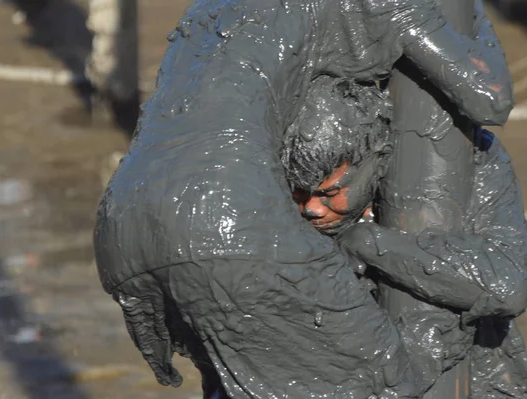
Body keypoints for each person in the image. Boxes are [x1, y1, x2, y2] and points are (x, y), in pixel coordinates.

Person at [94, 0, 516, 397]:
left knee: (239, 375)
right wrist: (464, 12)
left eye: (329, 194)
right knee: (392, 378)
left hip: (125, 210)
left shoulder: (220, 8)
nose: (314, 208)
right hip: (228, 210)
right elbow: (489, 94)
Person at [282, 75, 527, 397]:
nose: (312, 209)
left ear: (378, 158)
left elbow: (506, 286)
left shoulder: (469, 156)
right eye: (299, 194)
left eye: (330, 193)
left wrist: (366, 243)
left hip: (475, 374)